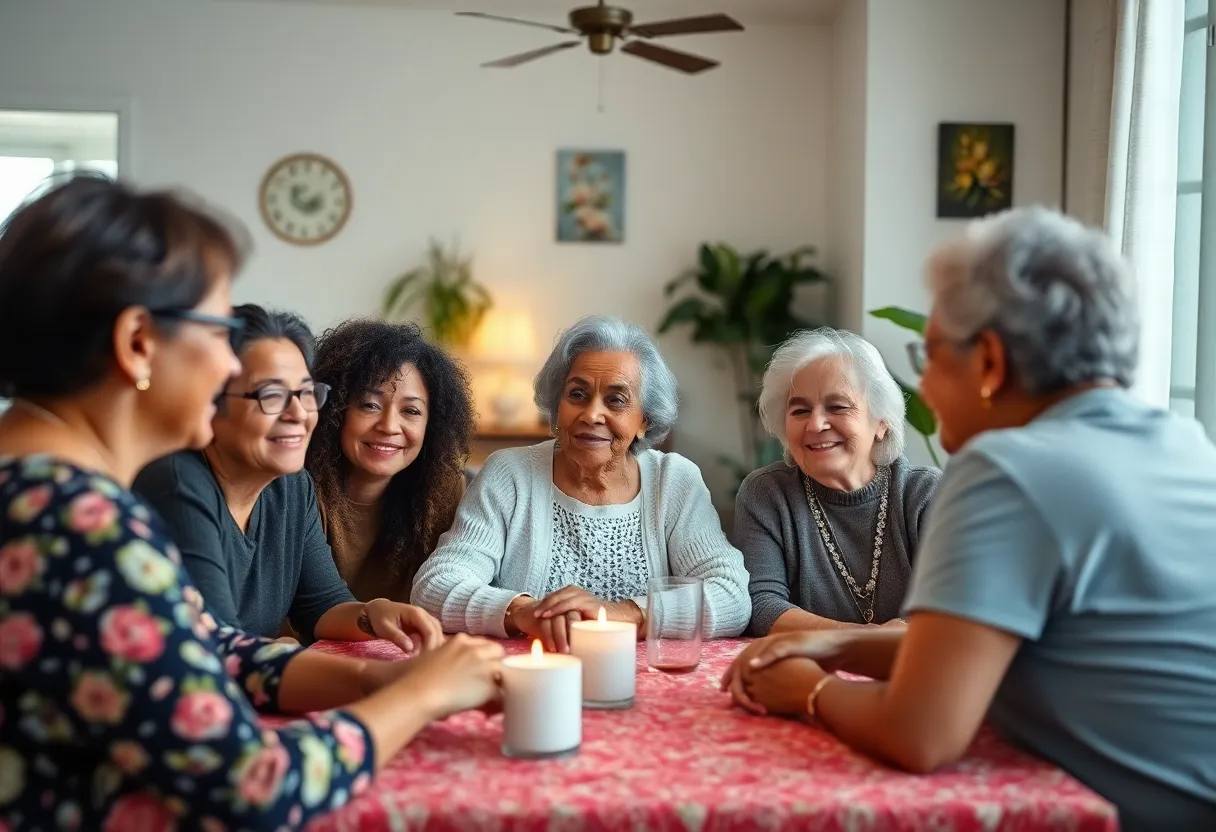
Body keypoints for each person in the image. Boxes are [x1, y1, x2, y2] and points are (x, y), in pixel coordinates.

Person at [0, 175, 503, 829]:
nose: (224, 363)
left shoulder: (36, 490)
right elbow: (255, 789)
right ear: (136, 344)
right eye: (216, 330)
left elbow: (207, 646)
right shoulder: (80, 524)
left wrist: (380, 681)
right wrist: (420, 697)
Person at [722, 207, 1216, 831]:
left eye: (928, 355)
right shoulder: (1189, 446)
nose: (922, 388)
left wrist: (809, 691)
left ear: (989, 361)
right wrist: (840, 641)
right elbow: (991, 650)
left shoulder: (1007, 471)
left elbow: (920, 736)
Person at [412, 315, 751, 651]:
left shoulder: (674, 481)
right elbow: (435, 586)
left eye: (616, 400)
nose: (591, 414)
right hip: (535, 678)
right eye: (577, 394)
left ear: (644, 420)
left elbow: (732, 597)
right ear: (557, 409)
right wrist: (522, 611)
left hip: (650, 685)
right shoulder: (510, 474)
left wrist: (625, 614)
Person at [134, 305, 440, 652]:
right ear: (210, 403)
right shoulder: (177, 484)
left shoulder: (291, 485)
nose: (298, 414)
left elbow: (322, 605)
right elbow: (221, 647)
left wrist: (374, 613)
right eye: (271, 395)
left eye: (306, 393)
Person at [734, 328, 940, 633]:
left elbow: (952, 610)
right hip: (808, 672)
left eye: (838, 407)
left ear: (881, 422)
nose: (816, 424)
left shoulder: (925, 494)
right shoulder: (767, 495)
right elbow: (763, 605)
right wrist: (862, 640)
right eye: (800, 410)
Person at [306, 319, 474, 601]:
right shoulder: (298, 488)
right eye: (370, 405)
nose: (389, 426)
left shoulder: (443, 490)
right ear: (335, 411)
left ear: (432, 425)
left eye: (411, 411)